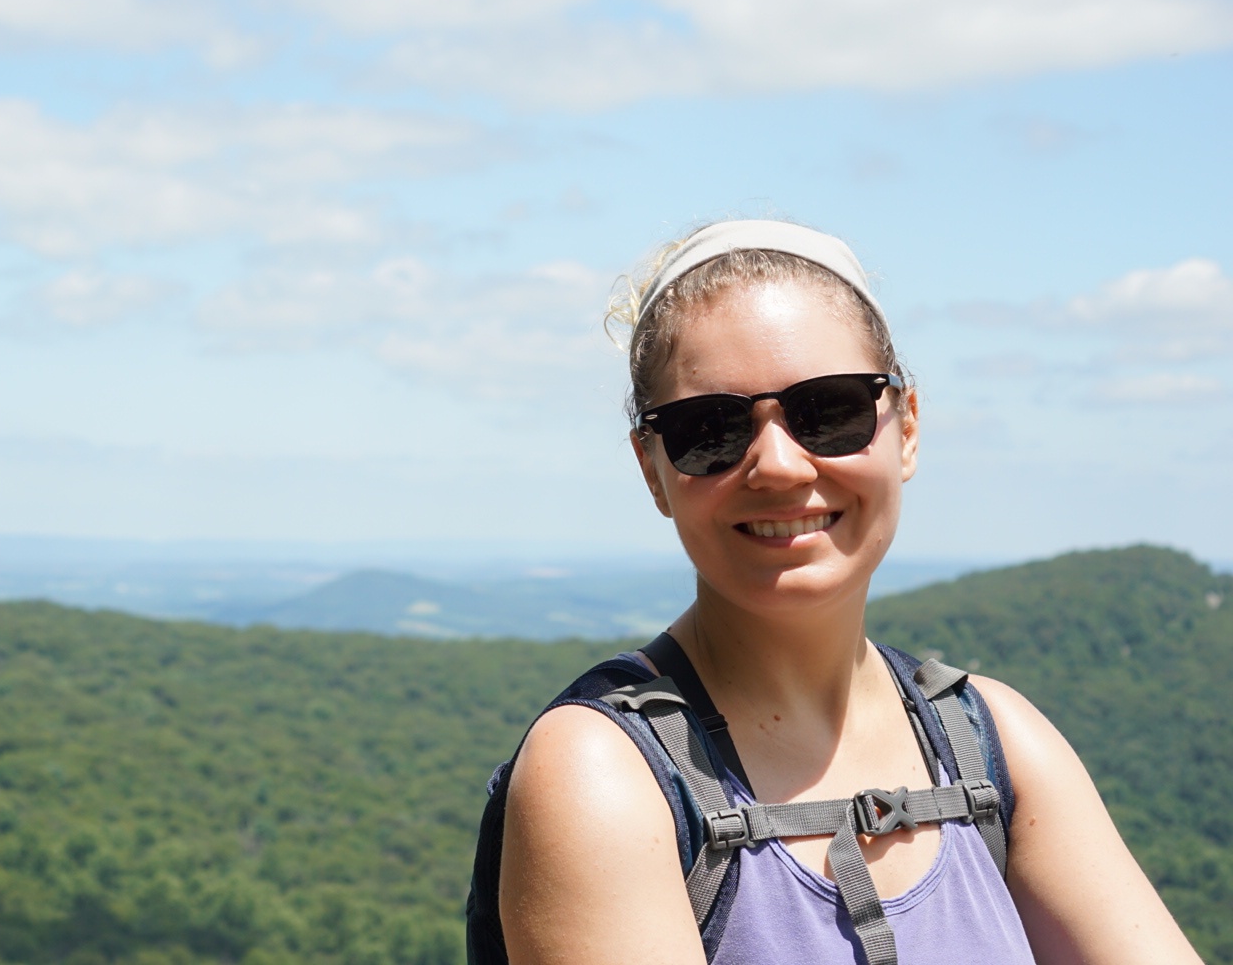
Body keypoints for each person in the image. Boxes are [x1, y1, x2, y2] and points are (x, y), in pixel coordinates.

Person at [468, 220, 1201, 964]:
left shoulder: (994, 743)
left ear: (906, 427)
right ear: (651, 468)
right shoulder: (603, 773)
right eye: (709, 428)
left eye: (829, 411)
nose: (779, 466)